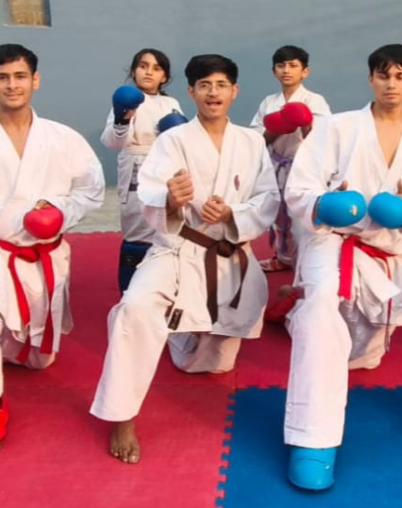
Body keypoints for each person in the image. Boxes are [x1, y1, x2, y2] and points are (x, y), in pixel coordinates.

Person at [283, 44, 402, 490]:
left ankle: (292, 310)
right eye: (383, 75)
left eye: (401, 76)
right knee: (321, 316)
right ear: (370, 79)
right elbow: (300, 186)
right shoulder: (337, 127)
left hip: (384, 256)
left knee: (362, 355)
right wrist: (324, 204)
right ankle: (313, 440)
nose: (391, 84)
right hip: (333, 241)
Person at [90, 54, 279, 466]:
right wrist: (171, 200)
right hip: (177, 247)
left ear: (235, 91)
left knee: (210, 366)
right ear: (191, 92)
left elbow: (269, 197)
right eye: (204, 85)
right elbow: (150, 192)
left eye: (221, 84)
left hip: (228, 253)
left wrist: (232, 213)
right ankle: (122, 415)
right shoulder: (172, 140)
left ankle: (179, 336)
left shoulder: (251, 142)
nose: (213, 92)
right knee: (134, 308)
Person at [0, 44, 105, 453]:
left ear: (35, 80)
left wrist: (59, 210)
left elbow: (91, 190)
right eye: (3, 77)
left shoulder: (62, 137)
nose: (12, 85)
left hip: (41, 254)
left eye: (20, 76)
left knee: (38, 360)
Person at [100, 48, 185, 291]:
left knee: (167, 224)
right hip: (135, 166)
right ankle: (130, 290)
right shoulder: (127, 100)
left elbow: (182, 139)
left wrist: (177, 131)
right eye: (143, 66)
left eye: (156, 68)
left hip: (165, 166)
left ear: (164, 77)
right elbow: (112, 142)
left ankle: (165, 285)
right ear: (134, 71)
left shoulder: (171, 103)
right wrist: (123, 117)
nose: (149, 72)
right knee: (137, 227)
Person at [250, 45, 331, 274]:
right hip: (276, 165)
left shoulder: (315, 101)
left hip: (304, 166)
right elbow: (258, 138)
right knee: (279, 215)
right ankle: (284, 257)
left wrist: (304, 122)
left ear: (305, 71)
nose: (286, 70)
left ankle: (305, 264)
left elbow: (323, 137)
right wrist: (277, 127)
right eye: (281, 66)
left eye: (293, 66)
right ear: (274, 71)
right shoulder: (269, 102)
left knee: (300, 218)